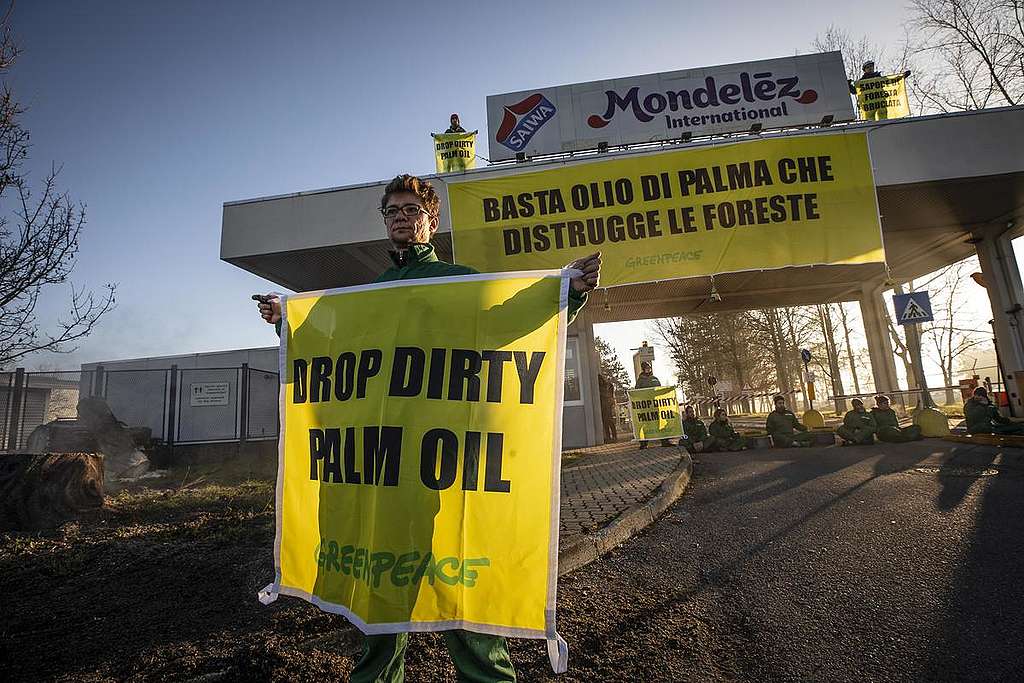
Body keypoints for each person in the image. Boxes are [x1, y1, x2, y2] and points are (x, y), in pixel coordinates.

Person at [255, 173, 602, 683]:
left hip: (444, 463)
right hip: (377, 467)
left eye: (411, 209)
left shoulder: (457, 285)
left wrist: (565, 293)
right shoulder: (367, 297)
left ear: (431, 220)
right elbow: (331, 345)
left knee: (457, 579)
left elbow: (506, 321)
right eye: (392, 210)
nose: (401, 215)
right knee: (377, 589)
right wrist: (287, 319)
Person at [635, 361, 673, 448]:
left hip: (655, 405)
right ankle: (643, 444)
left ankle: (664, 441)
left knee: (659, 423)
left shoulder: (655, 378)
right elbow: (637, 392)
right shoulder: (640, 381)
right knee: (645, 424)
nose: (648, 369)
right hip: (645, 406)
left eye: (649, 368)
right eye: (646, 368)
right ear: (643, 369)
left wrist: (668, 390)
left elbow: (659, 389)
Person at [598, 373, 618, 443]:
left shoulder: (607, 386)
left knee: (609, 421)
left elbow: (608, 394)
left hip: (607, 405)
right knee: (606, 422)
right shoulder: (606, 385)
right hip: (604, 405)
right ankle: (610, 437)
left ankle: (613, 436)